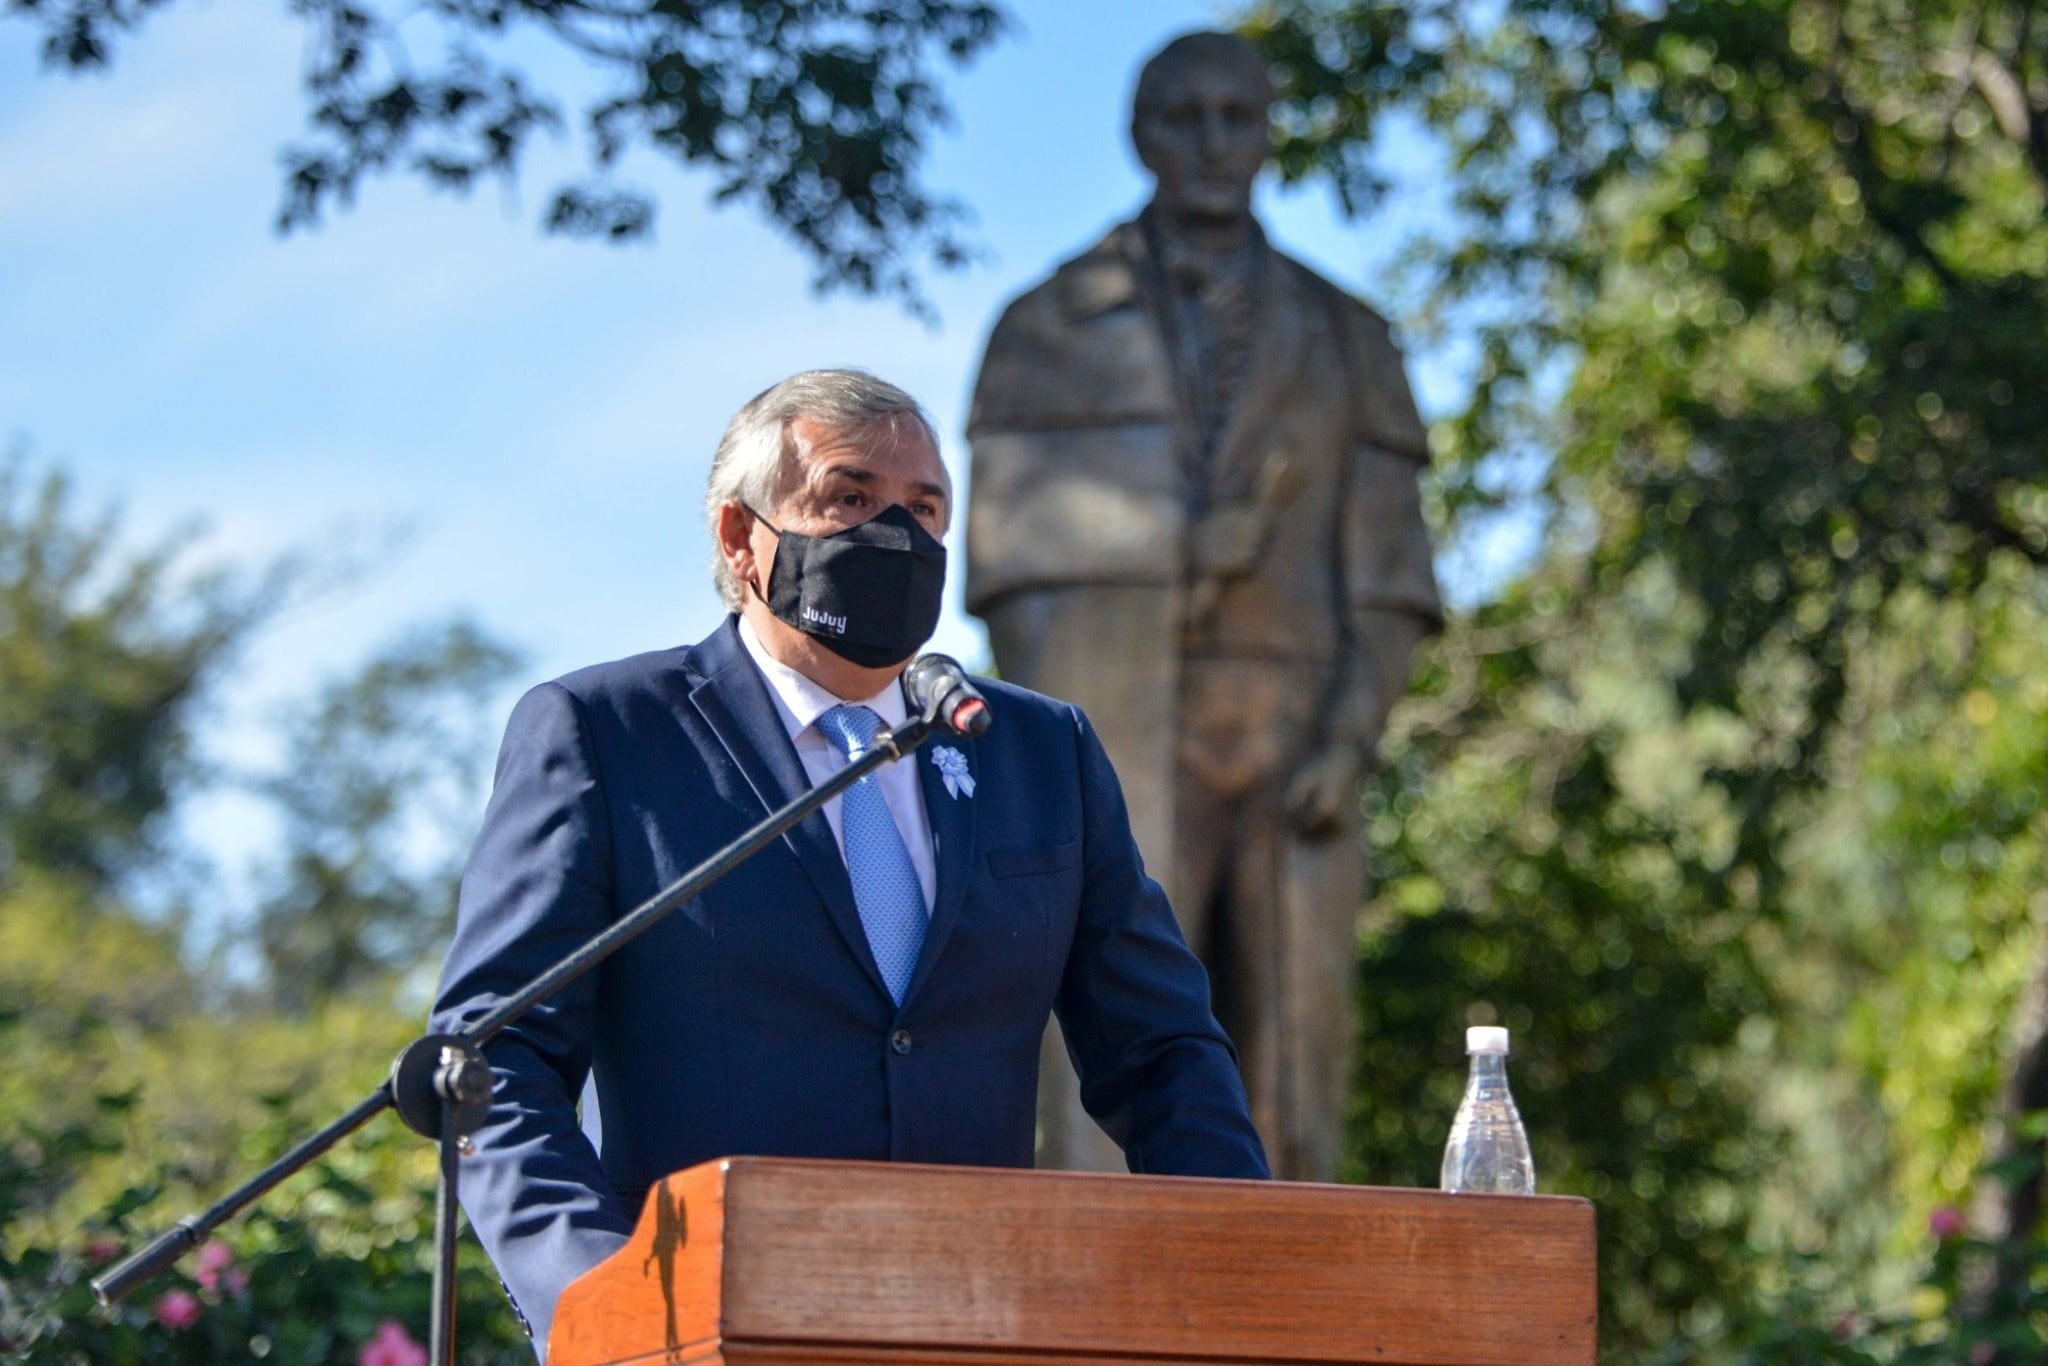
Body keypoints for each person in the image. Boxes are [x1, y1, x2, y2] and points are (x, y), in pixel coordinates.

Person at [430, 369, 1268, 1355]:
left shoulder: (1032, 750)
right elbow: (490, 1068)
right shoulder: (607, 737)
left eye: (923, 508)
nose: (897, 536)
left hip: (987, 1328)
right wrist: (600, 1307)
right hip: (705, 1332)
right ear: (741, 539)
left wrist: (1241, 1278)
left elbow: (1163, 1053)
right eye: (849, 497)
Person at [966, 32, 1441, 1181]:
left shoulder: (1344, 335)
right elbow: (1005, 572)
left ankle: (1287, 1330)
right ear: (1141, 136)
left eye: (1239, 116)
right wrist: (1175, 560)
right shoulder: (1047, 327)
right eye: (1186, 118)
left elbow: (1389, 577)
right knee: (1099, 1051)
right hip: (1118, 742)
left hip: (1291, 744)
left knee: (1293, 1066)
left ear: (1270, 133)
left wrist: (1347, 735)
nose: (1214, 144)